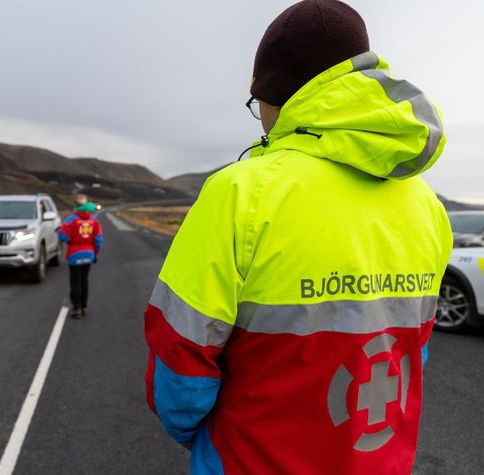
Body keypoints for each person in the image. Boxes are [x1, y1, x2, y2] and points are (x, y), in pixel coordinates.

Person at [143, 1, 452, 473]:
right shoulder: (427, 205)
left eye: (257, 104)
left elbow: (180, 366)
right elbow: (414, 350)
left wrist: (203, 437)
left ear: (277, 97)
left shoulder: (239, 192)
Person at [58, 195, 103, 319]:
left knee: (75, 282)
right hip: (89, 254)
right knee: (84, 281)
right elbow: (98, 240)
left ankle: (76, 307)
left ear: (76, 206)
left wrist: (65, 235)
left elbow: (63, 236)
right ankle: (84, 306)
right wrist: (95, 253)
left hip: (74, 255)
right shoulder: (94, 221)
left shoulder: (70, 220)